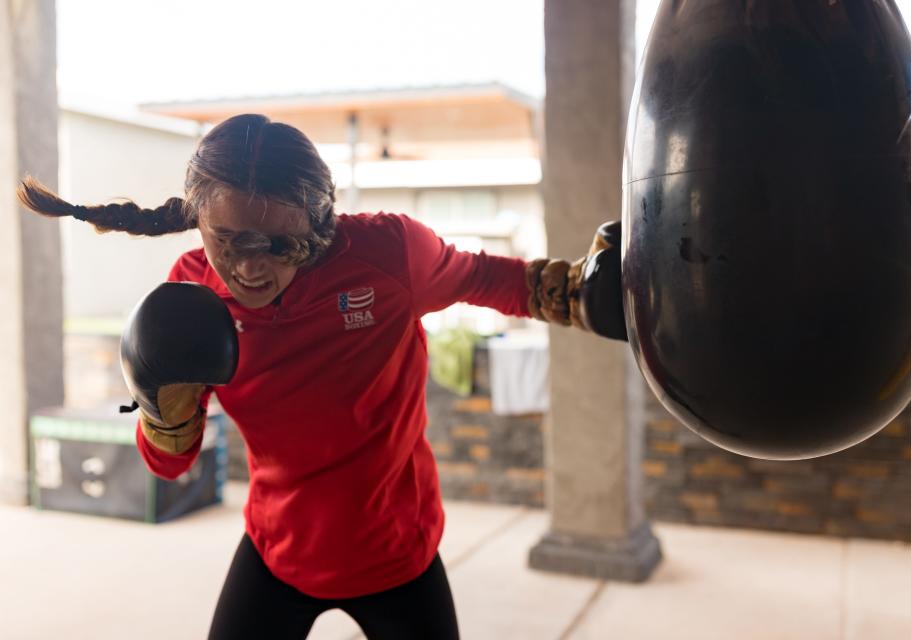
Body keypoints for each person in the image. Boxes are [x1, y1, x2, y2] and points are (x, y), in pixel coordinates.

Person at [17, 113, 624, 640]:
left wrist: (577, 294)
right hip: (277, 550)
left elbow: (489, 278)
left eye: (277, 244)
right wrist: (161, 410)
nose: (251, 267)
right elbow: (171, 465)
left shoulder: (388, 255)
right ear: (196, 220)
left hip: (397, 552)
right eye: (227, 240)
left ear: (318, 225)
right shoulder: (191, 296)